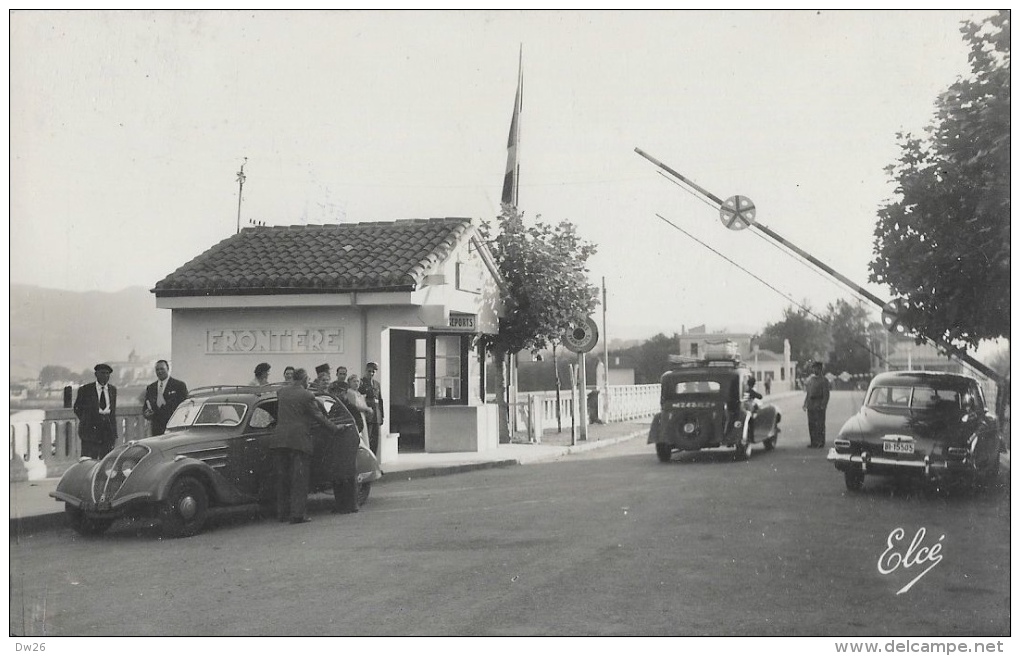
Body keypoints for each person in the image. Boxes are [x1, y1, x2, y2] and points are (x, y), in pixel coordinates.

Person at [269, 368, 344, 524]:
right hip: (299, 440)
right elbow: (318, 416)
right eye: (307, 379)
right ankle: (297, 515)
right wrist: (335, 428)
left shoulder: (281, 392)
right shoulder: (307, 395)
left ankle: (282, 513)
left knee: (283, 479)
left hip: (280, 439)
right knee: (299, 479)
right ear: (303, 379)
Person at [73, 364, 118, 459]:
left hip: (107, 432)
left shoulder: (112, 390)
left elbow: (112, 411)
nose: (105, 376)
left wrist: (113, 432)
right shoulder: (85, 390)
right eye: (102, 373)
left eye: (107, 374)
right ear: (96, 374)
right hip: (90, 432)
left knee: (106, 460)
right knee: (89, 460)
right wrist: (88, 420)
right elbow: (77, 408)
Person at [143, 359, 189, 436]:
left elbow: (184, 406)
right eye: (157, 370)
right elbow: (145, 406)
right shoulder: (151, 387)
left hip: (173, 427)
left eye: (162, 369)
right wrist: (146, 413)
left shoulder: (179, 385)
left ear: (168, 369)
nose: (159, 372)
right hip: (156, 428)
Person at [803, 361, 831, 448]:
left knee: (820, 424)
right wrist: (805, 403)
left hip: (819, 403)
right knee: (811, 424)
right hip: (811, 404)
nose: (815, 370)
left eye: (816, 368)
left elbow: (826, 394)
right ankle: (813, 442)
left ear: (820, 369)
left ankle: (820, 442)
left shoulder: (824, 380)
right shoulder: (811, 380)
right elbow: (808, 393)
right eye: (814, 368)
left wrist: (823, 405)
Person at [360, 361, 384, 455]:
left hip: (376, 416)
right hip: (367, 416)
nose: (371, 373)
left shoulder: (377, 384)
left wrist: (382, 416)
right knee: (367, 439)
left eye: (373, 371)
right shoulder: (361, 383)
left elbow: (380, 400)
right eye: (369, 371)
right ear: (366, 371)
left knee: (375, 441)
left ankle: (374, 460)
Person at [345, 374, 371, 441]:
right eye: (354, 381)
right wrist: (367, 409)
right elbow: (355, 407)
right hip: (356, 416)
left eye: (358, 381)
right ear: (349, 383)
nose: (356, 383)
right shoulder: (350, 392)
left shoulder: (358, 393)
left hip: (362, 416)